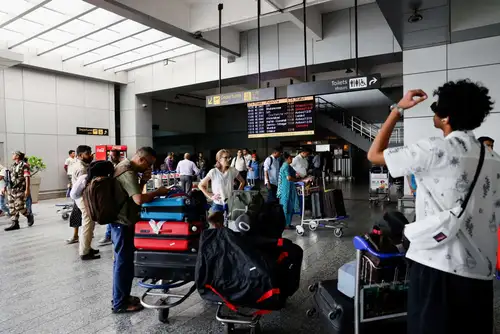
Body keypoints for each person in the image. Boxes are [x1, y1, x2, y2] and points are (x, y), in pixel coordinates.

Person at [367, 80, 498, 334]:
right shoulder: (493, 159)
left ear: (446, 117)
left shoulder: (434, 149)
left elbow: (374, 154)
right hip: (481, 276)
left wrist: (398, 109)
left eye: (437, 108)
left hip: (436, 269)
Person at [110, 147, 170, 313]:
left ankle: (122, 296)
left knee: (124, 262)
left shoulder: (126, 167)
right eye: (149, 164)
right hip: (121, 222)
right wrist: (158, 192)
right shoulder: (127, 171)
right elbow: (138, 200)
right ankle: (120, 304)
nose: (149, 168)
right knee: (122, 263)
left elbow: (133, 193)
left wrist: (144, 180)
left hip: (122, 221)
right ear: (142, 160)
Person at [72, 145, 99, 260]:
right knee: (88, 222)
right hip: (82, 197)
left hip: (83, 196)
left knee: (90, 222)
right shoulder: (81, 168)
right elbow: (84, 185)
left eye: (90, 153)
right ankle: (84, 252)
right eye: (88, 153)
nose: (91, 155)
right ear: (80, 155)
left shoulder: (84, 165)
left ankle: (87, 246)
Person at [98, 149, 123, 246]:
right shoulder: (110, 166)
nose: (111, 158)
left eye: (112, 156)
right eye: (110, 156)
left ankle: (109, 235)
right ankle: (109, 235)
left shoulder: (121, 166)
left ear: (117, 156)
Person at [4, 151, 34, 231]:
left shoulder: (24, 165)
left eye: (13, 154)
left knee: (19, 206)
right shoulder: (13, 165)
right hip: (11, 189)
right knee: (11, 207)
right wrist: (5, 187)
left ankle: (28, 215)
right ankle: (15, 223)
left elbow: (27, 177)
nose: (12, 155)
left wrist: (27, 189)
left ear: (17, 156)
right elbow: (9, 178)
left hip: (20, 189)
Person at [277, 153, 301, 229]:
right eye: (290, 158)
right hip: (285, 189)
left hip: (288, 188)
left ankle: (288, 224)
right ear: (287, 159)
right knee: (285, 207)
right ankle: (285, 225)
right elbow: (289, 178)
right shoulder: (285, 166)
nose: (292, 159)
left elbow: (295, 173)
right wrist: (297, 180)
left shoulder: (288, 166)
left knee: (289, 207)